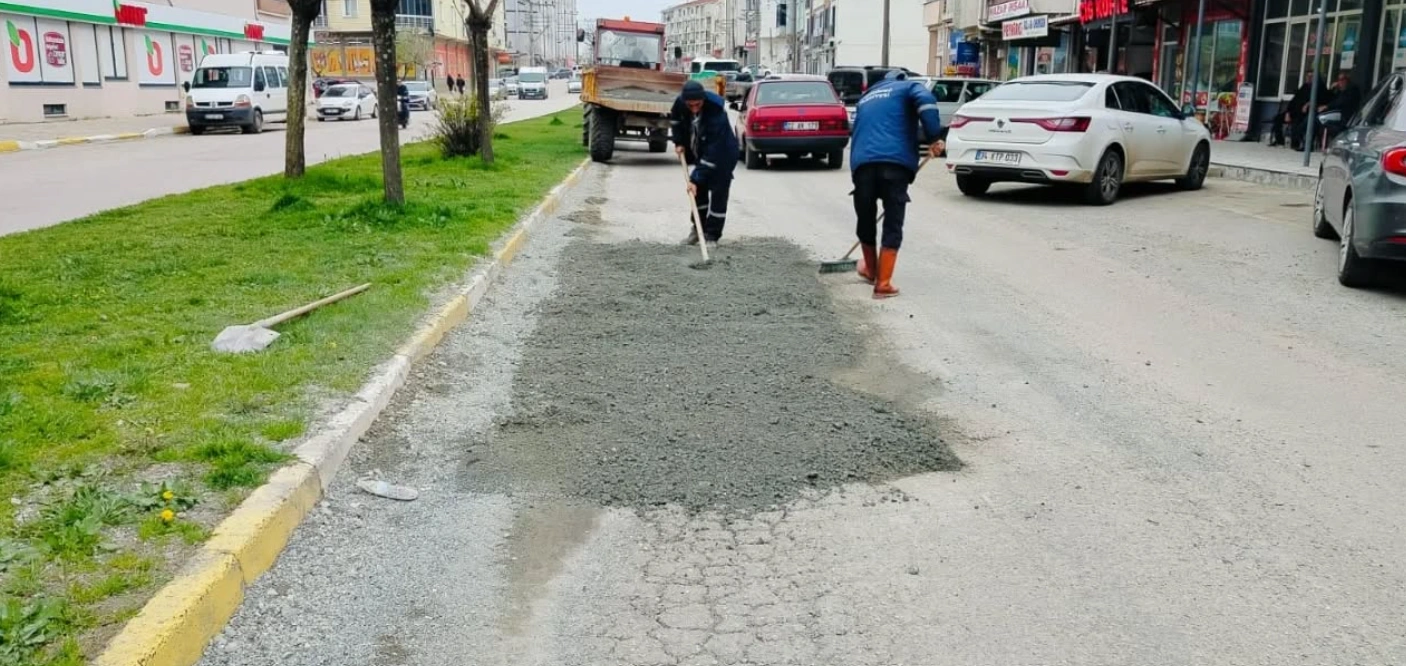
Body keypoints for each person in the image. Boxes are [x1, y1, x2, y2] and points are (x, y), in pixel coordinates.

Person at [847, 71, 942, 299]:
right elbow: (927, 103)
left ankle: (871, 270)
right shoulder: (908, 88)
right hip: (895, 164)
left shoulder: (866, 97)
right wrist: (934, 137)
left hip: (862, 165)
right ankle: (883, 283)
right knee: (893, 220)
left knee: (866, 217)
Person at [669, 80, 739, 249]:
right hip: (702, 149)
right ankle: (697, 229)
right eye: (690, 105)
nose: (694, 108)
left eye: (697, 104)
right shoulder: (680, 103)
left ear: (703, 100)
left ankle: (712, 235)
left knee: (718, 194)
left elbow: (713, 153)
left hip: (723, 154)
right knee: (698, 193)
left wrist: (695, 178)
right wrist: (679, 142)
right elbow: (676, 122)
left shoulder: (716, 113)